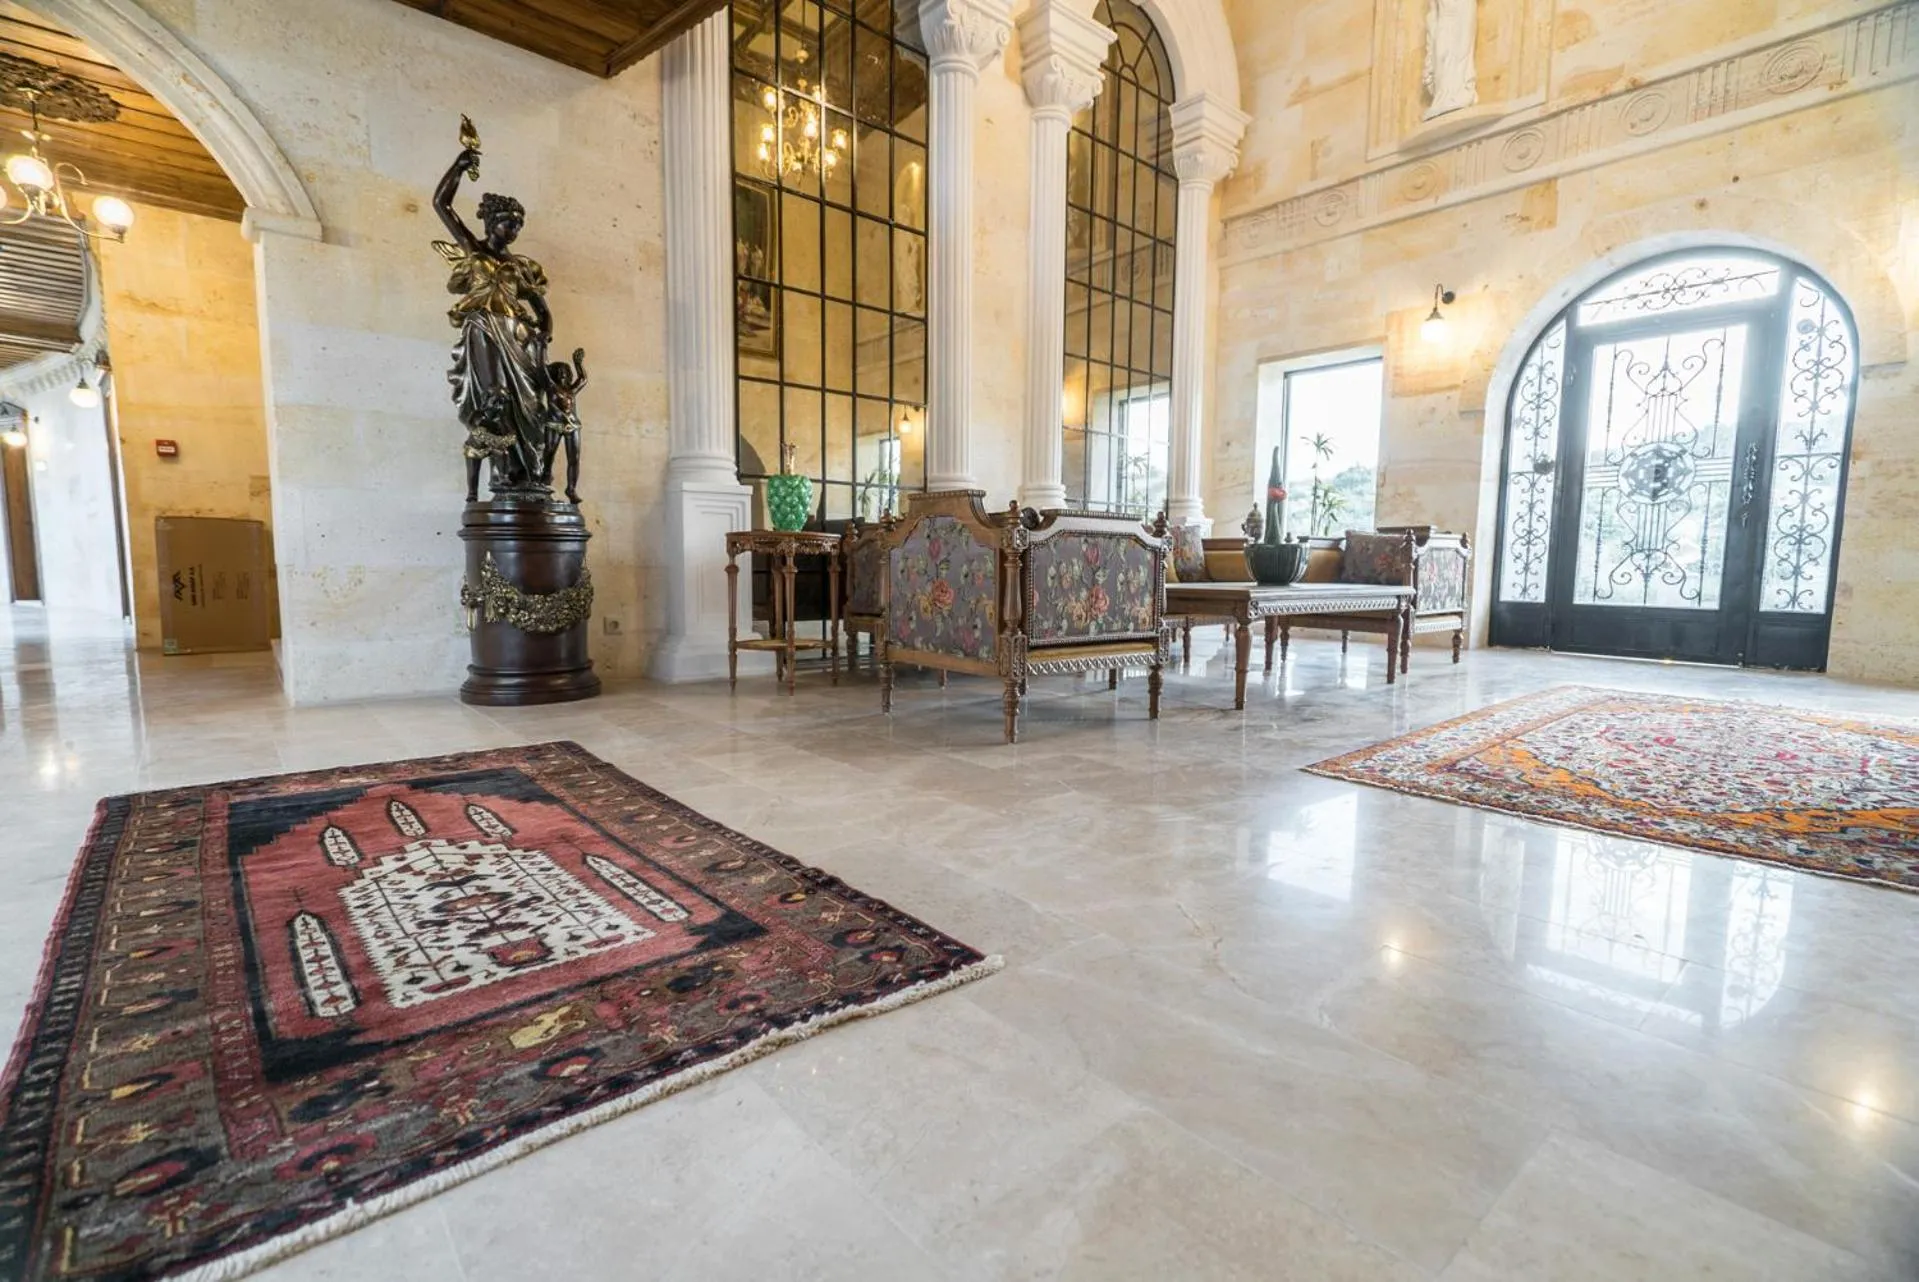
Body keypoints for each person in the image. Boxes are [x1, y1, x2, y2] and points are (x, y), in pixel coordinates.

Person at [433, 145, 558, 500]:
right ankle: (503, 475)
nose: (514, 228)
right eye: (508, 221)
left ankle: (529, 475)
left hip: (518, 336)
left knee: (531, 406)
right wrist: (458, 168)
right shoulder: (475, 251)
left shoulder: (521, 267)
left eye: (519, 223)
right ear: (490, 222)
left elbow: (541, 308)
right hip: (484, 328)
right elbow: (442, 206)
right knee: (496, 397)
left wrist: (544, 334)